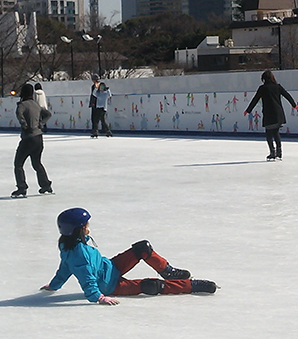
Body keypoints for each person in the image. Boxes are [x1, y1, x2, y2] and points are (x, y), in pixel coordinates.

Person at [40, 207, 215, 304]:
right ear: (77, 229)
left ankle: (167, 271)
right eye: (86, 225)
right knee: (152, 286)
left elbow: (64, 268)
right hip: (110, 286)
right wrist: (98, 297)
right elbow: (87, 280)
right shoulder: (80, 255)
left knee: (142, 248)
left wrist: (54, 285)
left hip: (110, 266)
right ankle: (191, 286)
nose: (88, 227)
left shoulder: (68, 245)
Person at [243, 70, 298, 160]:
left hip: (269, 114)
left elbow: (255, 99)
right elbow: (287, 96)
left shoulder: (262, 88)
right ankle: (279, 152)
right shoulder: (277, 87)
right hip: (278, 114)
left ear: (263, 79)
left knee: (269, 134)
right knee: (276, 132)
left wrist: (248, 110)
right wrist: (294, 105)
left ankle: (272, 152)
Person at [13, 82, 53, 198]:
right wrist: (41, 123)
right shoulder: (36, 105)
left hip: (28, 138)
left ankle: (22, 187)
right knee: (36, 163)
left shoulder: (22, 105)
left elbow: (19, 114)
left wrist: (24, 124)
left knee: (18, 164)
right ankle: (46, 185)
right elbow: (48, 114)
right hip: (39, 138)